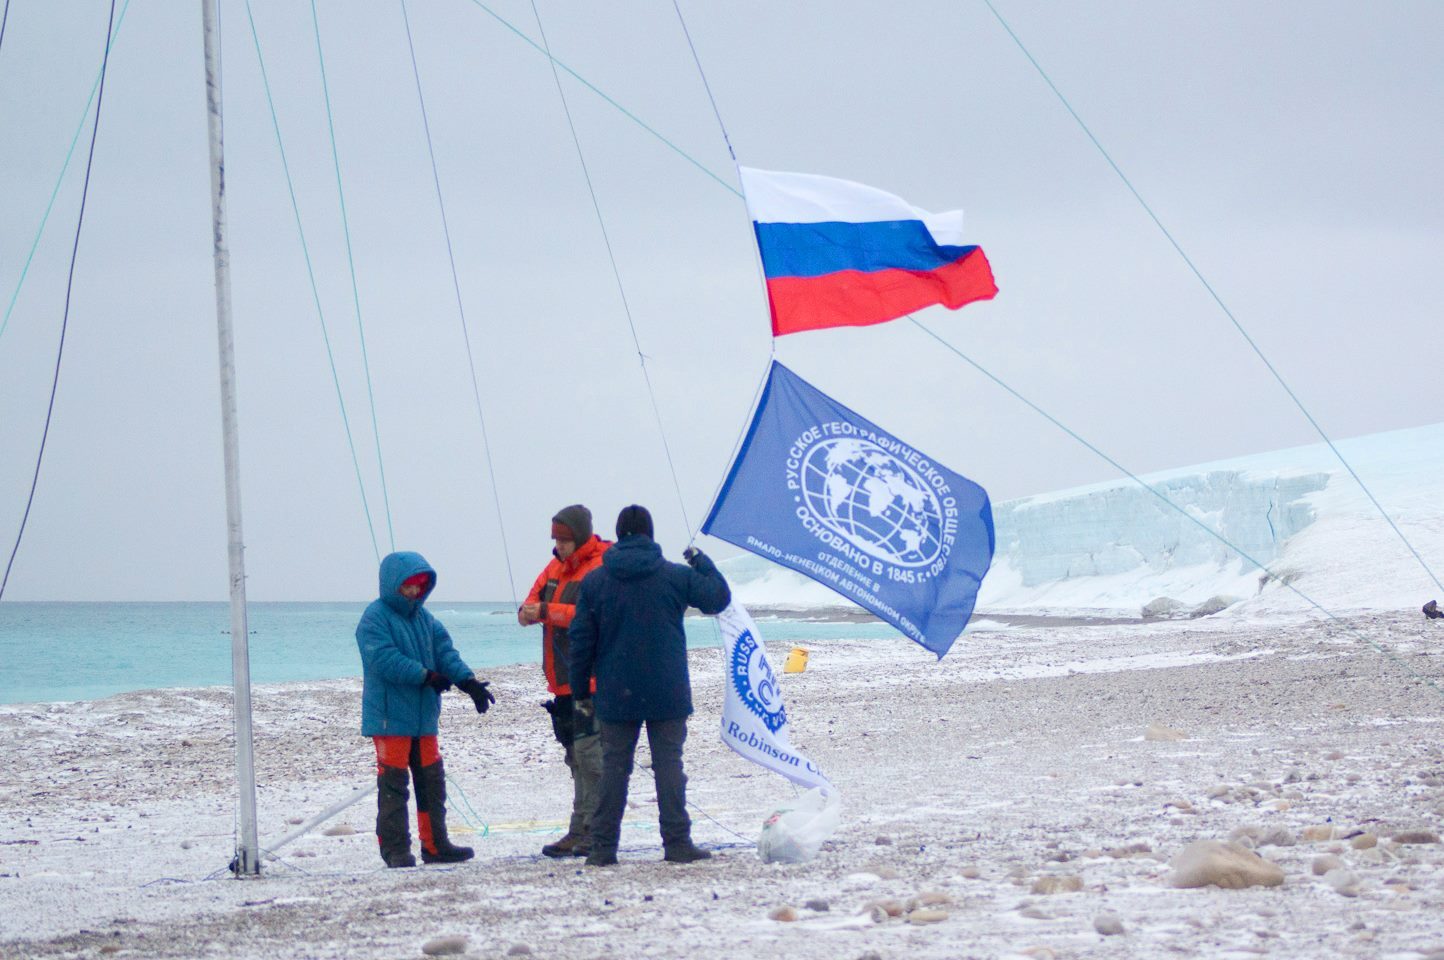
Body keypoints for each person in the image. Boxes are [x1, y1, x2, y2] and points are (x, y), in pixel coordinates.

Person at [568, 504, 731, 867]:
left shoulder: (596, 581)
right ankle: (676, 843)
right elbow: (718, 597)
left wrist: (580, 691)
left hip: (615, 689)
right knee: (669, 764)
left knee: (615, 768)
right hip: (665, 687)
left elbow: (581, 641)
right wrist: (699, 560)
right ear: (650, 535)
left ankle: (602, 847)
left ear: (619, 534)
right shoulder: (672, 576)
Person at [356, 551, 496, 868]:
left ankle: (435, 845)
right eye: (409, 586)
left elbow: (446, 653)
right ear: (394, 585)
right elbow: (383, 659)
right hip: (390, 719)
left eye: (420, 586)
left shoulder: (425, 620)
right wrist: (424, 676)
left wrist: (468, 682)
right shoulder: (374, 618)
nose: (415, 592)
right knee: (394, 786)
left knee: (431, 782)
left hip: (424, 719)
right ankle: (395, 849)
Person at [517, 505, 611, 858]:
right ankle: (579, 827)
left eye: (566, 540)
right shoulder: (554, 567)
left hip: (591, 680)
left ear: (581, 536)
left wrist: (545, 613)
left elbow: (594, 615)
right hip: (561, 681)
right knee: (575, 757)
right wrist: (530, 613)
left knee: (591, 758)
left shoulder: (600, 566)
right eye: (556, 539)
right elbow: (531, 602)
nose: (560, 546)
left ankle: (594, 829)